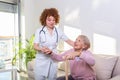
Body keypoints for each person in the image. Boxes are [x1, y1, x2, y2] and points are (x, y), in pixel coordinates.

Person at [33, 8, 74, 80]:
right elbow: (35, 46)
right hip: (41, 61)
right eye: (49, 20)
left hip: (53, 61)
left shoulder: (58, 31)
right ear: (44, 19)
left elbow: (69, 41)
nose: (52, 22)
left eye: (53, 20)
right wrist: (41, 49)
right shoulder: (39, 31)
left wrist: (81, 47)